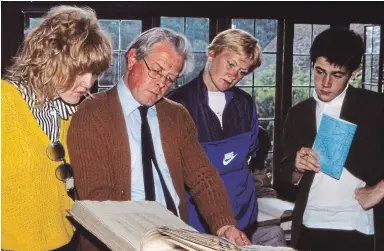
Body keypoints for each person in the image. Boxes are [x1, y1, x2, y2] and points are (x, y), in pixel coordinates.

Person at [67, 27, 251, 251]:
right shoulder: (93, 112)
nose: (161, 84)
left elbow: (203, 177)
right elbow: (98, 198)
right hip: (119, 240)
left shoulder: (177, 115)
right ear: (133, 58)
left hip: (174, 239)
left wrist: (225, 226)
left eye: (170, 79)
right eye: (156, 70)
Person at [1, 5, 112, 251]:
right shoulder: (4, 103)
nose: (88, 83)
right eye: (80, 71)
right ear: (50, 58)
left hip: (65, 242)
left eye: (94, 73)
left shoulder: (73, 114)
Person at [168, 29, 285, 246]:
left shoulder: (245, 104)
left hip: (243, 219)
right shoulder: (177, 105)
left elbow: (249, 156)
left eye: (242, 72)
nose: (234, 76)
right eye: (230, 64)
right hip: (197, 224)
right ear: (211, 53)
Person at [280, 28, 384, 251]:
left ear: (353, 73)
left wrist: (379, 191)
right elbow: (283, 180)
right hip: (309, 225)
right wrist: (297, 168)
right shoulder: (298, 114)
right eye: (319, 71)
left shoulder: (375, 107)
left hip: (358, 226)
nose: (325, 83)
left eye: (336, 75)